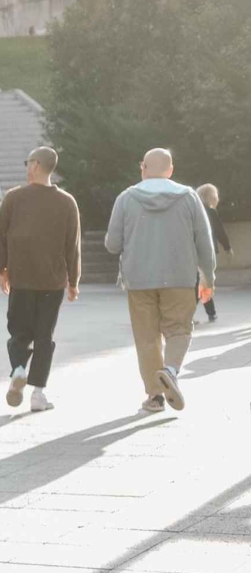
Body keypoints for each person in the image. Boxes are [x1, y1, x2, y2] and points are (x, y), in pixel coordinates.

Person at [104, 148, 217, 413]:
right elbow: (204, 241)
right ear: (171, 169)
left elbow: (112, 244)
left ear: (143, 168)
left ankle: (155, 396)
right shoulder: (189, 196)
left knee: (147, 337)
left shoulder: (126, 198)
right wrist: (208, 277)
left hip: (139, 279)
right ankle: (170, 370)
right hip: (180, 277)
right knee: (179, 330)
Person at [0, 146, 81, 412]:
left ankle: (19, 368)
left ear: (35, 165)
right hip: (52, 281)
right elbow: (72, 246)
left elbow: (2, 235)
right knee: (45, 336)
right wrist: (74, 280)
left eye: (27, 162)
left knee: (19, 331)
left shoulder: (13, 198)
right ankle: (38, 394)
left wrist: (2, 269)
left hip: (21, 279)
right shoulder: (67, 202)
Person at [196, 184, 233, 323]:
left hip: (192, 252)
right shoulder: (211, 212)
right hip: (207, 253)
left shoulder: (193, 210)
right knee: (205, 281)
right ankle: (210, 313)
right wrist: (227, 247)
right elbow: (219, 231)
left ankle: (209, 313)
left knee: (198, 282)